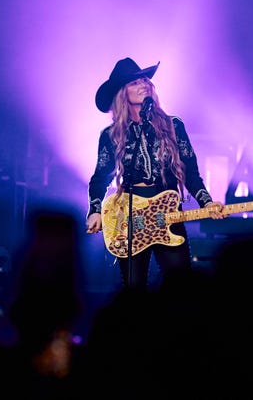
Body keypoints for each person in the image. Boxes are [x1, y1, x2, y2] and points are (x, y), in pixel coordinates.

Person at [85, 57, 226, 290]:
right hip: (131, 216)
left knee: (180, 287)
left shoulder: (174, 126)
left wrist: (206, 202)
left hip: (168, 212)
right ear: (122, 93)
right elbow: (100, 178)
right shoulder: (111, 135)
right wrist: (95, 211)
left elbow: (191, 172)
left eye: (144, 80)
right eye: (134, 83)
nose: (143, 84)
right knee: (134, 291)